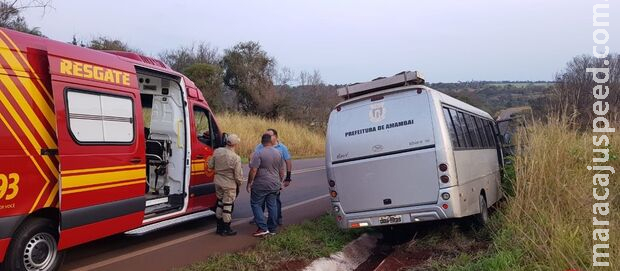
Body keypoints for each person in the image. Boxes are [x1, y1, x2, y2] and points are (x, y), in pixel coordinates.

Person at [251, 128, 292, 225]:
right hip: (260, 180)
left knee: (274, 201)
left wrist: (287, 177)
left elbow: (288, 162)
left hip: (275, 179)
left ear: (276, 137)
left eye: (270, 135)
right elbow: (253, 159)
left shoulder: (282, 148)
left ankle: (277, 218)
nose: (267, 137)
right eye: (266, 135)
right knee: (260, 201)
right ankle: (259, 218)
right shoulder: (260, 146)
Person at [247, 133, 285, 237]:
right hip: (275, 183)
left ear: (262, 141)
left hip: (261, 184)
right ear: (271, 141)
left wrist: (249, 183)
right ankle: (272, 228)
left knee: (256, 204)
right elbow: (281, 170)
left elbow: (253, 170)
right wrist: (280, 181)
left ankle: (263, 228)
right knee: (272, 205)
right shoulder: (278, 153)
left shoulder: (258, 153)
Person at [208, 134, 243, 236]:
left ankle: (219, 228)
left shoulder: (217, 151)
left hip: (218, 181)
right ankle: (227, 229)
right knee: (227, 206)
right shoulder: (236, 158)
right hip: (229, 184)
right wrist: (239, 184)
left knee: (219, 203)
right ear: (235, 144)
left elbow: (210, 165)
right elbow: (238, 175)